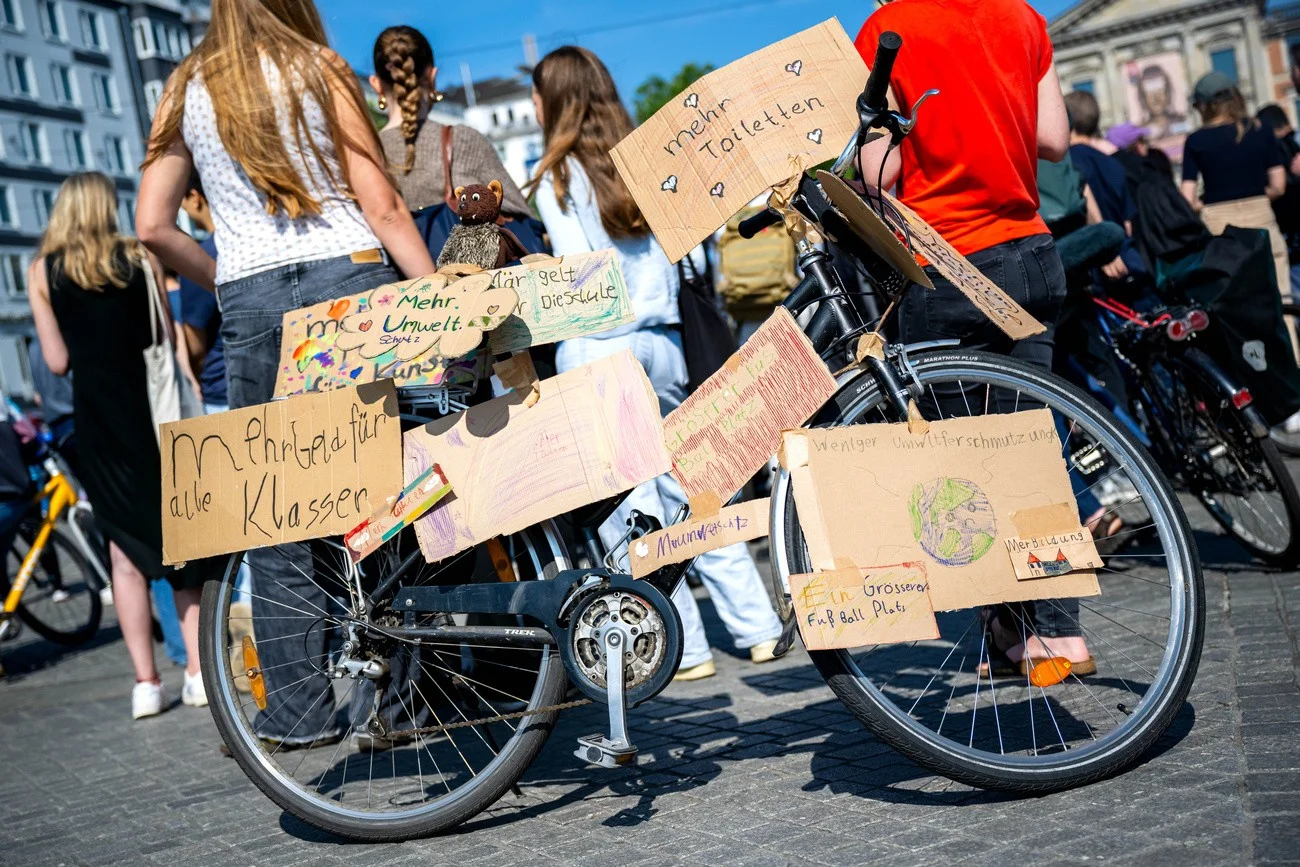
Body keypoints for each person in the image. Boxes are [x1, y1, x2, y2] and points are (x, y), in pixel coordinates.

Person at [136, 0, 436, 746]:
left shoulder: (186, 87)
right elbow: (384, 203)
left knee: (274, 510)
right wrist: (437, 299)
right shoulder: (318, 67)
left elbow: (150, 223)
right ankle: (400, 703)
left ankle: (299, 712)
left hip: (251, 297)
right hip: (351, 276)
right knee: (381, 490)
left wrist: (226, 277)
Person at [525, 46, 782, 681]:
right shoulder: (643, 159)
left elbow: (574, 270)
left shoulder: (555, 176)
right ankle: (757, 628)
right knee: (694, 487)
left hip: (600, 347)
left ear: (553, 98)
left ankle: (685, 648)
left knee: (631, 506)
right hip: (663, 341)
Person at [854, 0, 1095, 674]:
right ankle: (1060, 632)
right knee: (1033, 453)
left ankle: (1010, 627)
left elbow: (884, 174)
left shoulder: (887, 29)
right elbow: (1053, 139)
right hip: (1032, 253)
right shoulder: (1023, 17)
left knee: (969, 467)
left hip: (952, 261)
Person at [25, 172, 212, 718]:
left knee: (125, 556)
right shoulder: (138, 259)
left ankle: (145, 684)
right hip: (152, 417)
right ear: (107, 208)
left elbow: (57, 362)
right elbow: (164, 337)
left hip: (99, 425)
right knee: (179, 543)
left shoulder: (42, 271)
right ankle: (200, 674)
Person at [371, 26, 531, 219]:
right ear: (432, 77)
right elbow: (521, 217)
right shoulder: (462, 140)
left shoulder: (367, 155)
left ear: (376, 85)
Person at [1180, 72, 1289, 298]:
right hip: (1261, 218)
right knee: (1280, 300)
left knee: (1234, 305)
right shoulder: (1261, 129)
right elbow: (1278, 186)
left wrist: (1205, 204)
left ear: (1203, 107)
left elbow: (1187, 199)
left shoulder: (1196, 141)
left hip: (1220, 225)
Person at [1063, 90, 1143, 281]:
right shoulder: (1112, 162)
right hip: (1126, 257)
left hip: (1096, 264)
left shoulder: (1066, 164)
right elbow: (1128, 223)